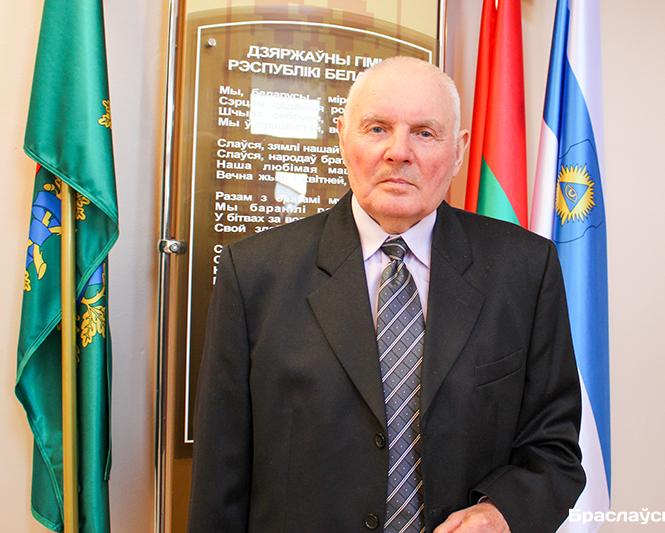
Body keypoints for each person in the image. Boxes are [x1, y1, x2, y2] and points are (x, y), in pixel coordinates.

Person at [188, 56, 585, 533]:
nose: (399, 152)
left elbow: (554, 448)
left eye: (424, 133)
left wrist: (501, 513)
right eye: (377, 128)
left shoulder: (525, 269)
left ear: (459, 150)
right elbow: (220, 475)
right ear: (343, 137)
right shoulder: (254, 273)